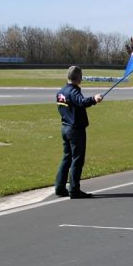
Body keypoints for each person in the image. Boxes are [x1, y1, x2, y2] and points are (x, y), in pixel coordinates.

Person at [54, 66, 103, 199]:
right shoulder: (73, 91)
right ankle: (74, 190)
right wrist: (94, 99)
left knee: (67, 157)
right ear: (79, 77)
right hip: (75, 130)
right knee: (77, 159)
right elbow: (81, 102)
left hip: (65, 127)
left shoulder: (61, 92)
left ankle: (59, 187)